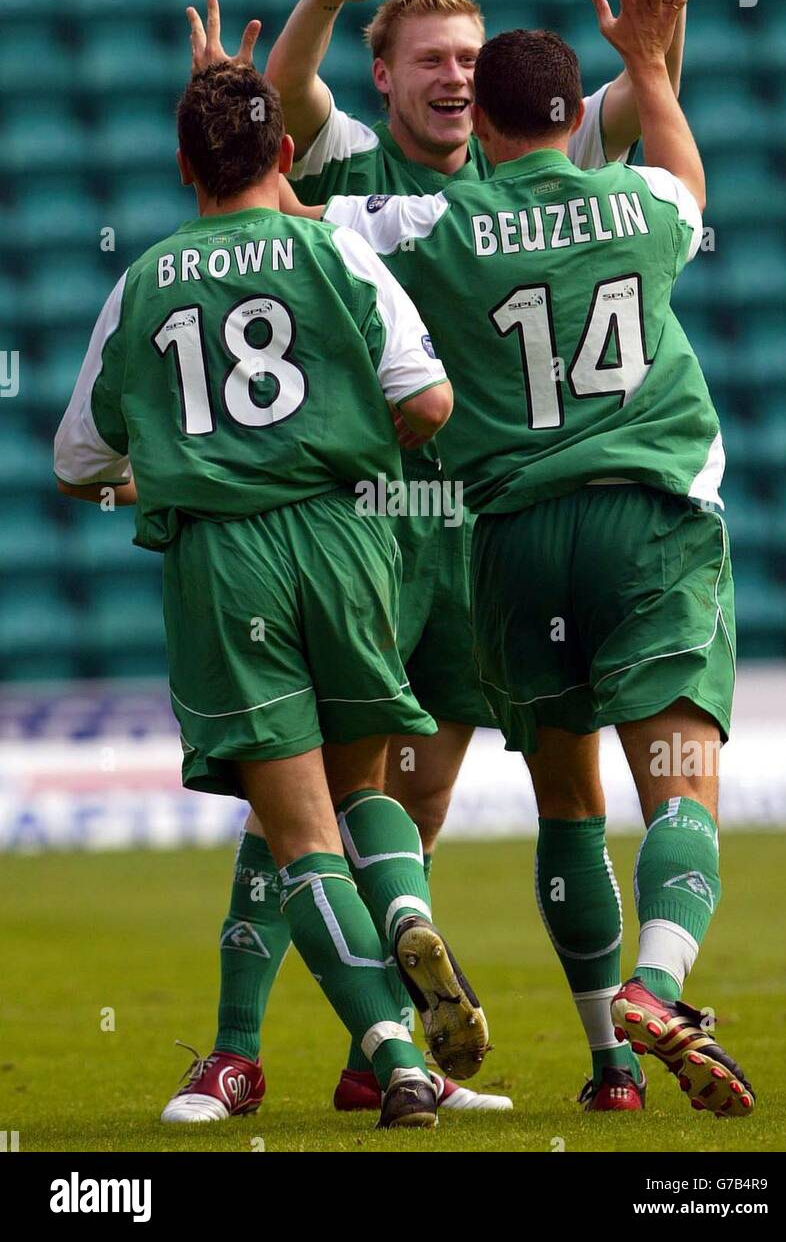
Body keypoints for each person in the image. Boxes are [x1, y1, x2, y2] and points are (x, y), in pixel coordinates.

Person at [183, 0, 706, 1117]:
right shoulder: (347, 163)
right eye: (430, 61)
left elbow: (637, 93)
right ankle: (236, 1041)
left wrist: (663, 14)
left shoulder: (529, 167)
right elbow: (295, 98)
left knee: (403, 800)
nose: (457, 80)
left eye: (471, 60)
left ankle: (382, 1053)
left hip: (476, 540)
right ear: (384, 75)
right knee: (300, 795)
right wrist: (320, 2)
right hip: (362, 528)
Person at [300, 0, 754, 1119]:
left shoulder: (427, 219)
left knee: (567, 810)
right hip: (647, 526)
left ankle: (609, 1063)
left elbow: (295, 214)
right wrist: (650, 59)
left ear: (484, 122)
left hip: (508, 544)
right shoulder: (639, 201)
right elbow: (684, 173)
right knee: (679, 794)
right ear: (574, 119)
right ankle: (656, 992)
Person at [53, 60, 490, 1131]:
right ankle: (401, 907)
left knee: (296, 835)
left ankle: (391, 1056)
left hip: (225, 564)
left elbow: (76, 460)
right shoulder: (331, 244)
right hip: (346, 542)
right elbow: (427, 399)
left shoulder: (146, 279)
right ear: (285, 156)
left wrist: (173, 467)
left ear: (182, 166)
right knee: (363, 789)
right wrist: (328, 446)